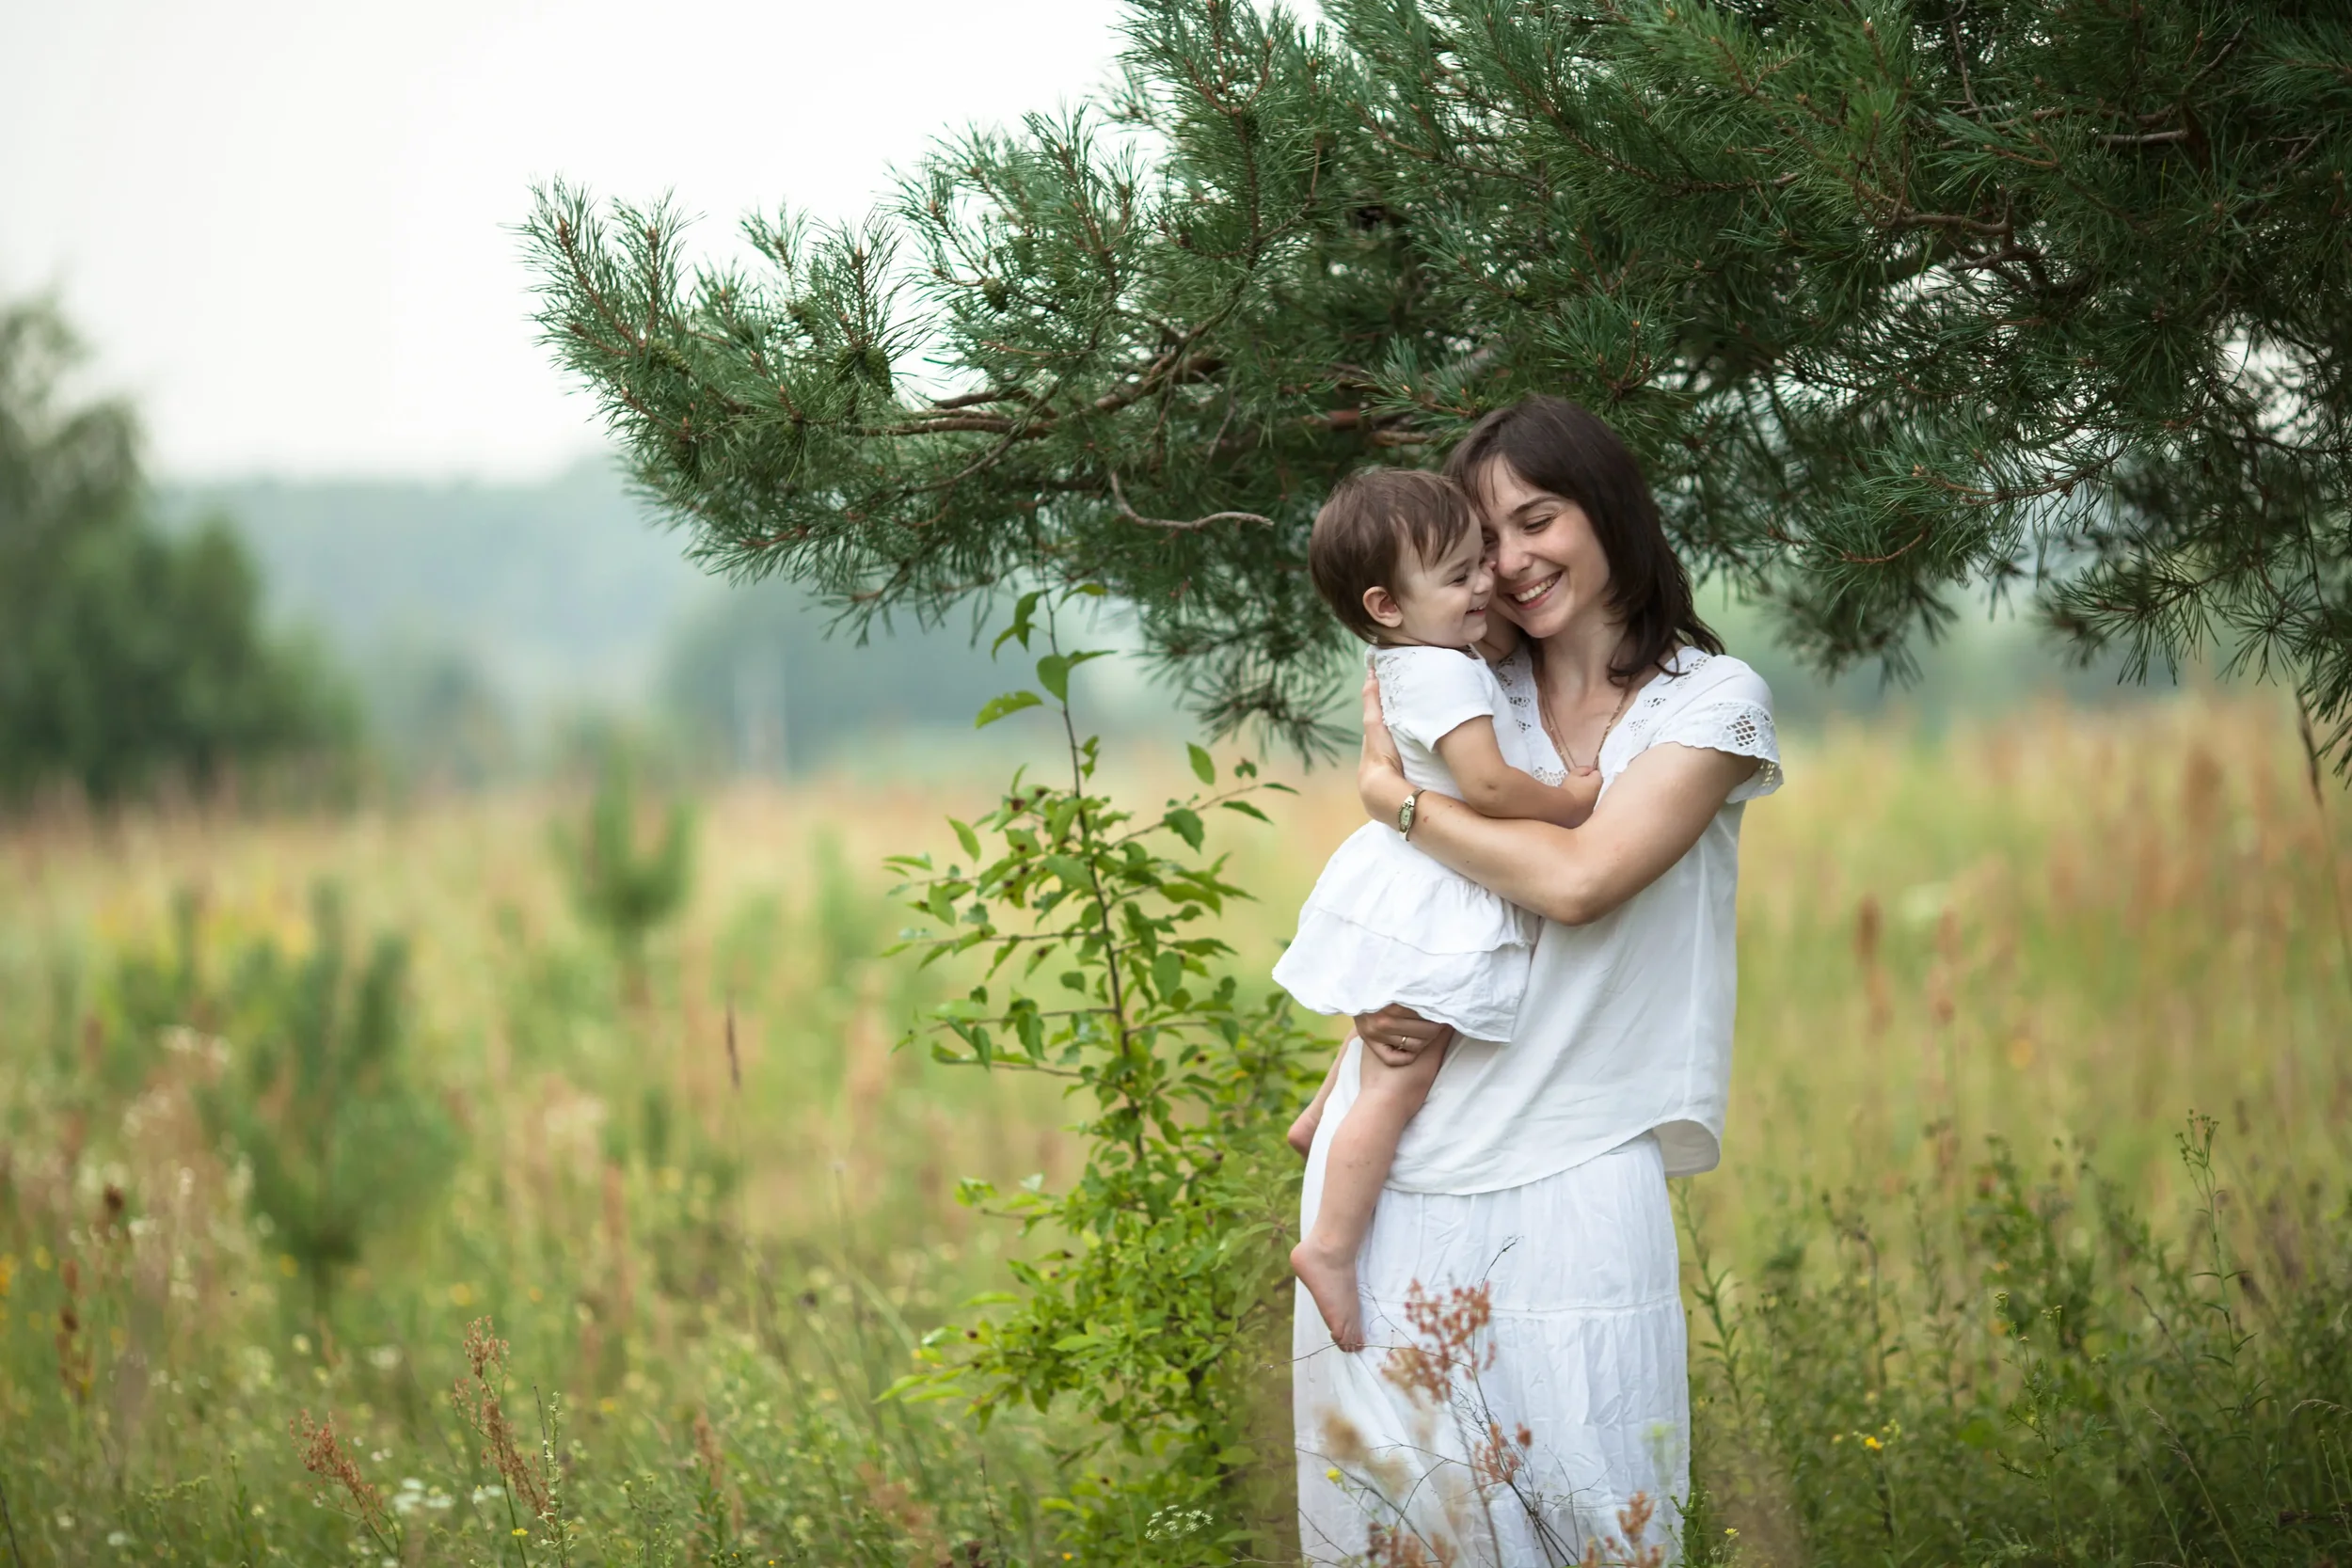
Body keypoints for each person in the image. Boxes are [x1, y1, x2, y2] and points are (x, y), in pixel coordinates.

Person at [1292, 397, 1784, 1567]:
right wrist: (1341, 1073)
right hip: (1398, 1184)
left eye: (1539, 519)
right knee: (1404, 1543)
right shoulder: (1459, 685)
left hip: (1576, 1172)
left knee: (1603, 1536)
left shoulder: (1709, 705)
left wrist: (1399, 803)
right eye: (1485, 535)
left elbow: (1577, 881)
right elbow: (1418, 919)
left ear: (1608, 509)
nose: (1510, 563)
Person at [1273, 467, 1603, 1354]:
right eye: (1460, 576)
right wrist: (1570, 803)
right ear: (1386, 603)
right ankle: (1332, 1247)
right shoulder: (1444, 676)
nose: (1485, 583)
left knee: (1389, 1031)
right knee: (1403, 1074)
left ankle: (1318, 1112)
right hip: (1434, 895)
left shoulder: (1408, 658)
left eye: (1477, 562)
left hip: (1403, 876)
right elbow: (1489, 784)